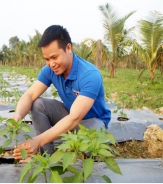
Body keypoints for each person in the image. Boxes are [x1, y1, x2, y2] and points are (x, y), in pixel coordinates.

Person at [12, 25, 111, 163]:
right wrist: (18, 115)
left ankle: (89, 156)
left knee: (90, 155)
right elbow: (29, 95)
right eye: (47, 59)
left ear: (68, 48)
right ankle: (47, 157)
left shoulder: (89, 74)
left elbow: (75, 118)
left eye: (54, 57)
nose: (51, 64)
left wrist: (37, 140)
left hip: (93, 123)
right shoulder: (50, 70)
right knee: (38, 104)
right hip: (70, 116)